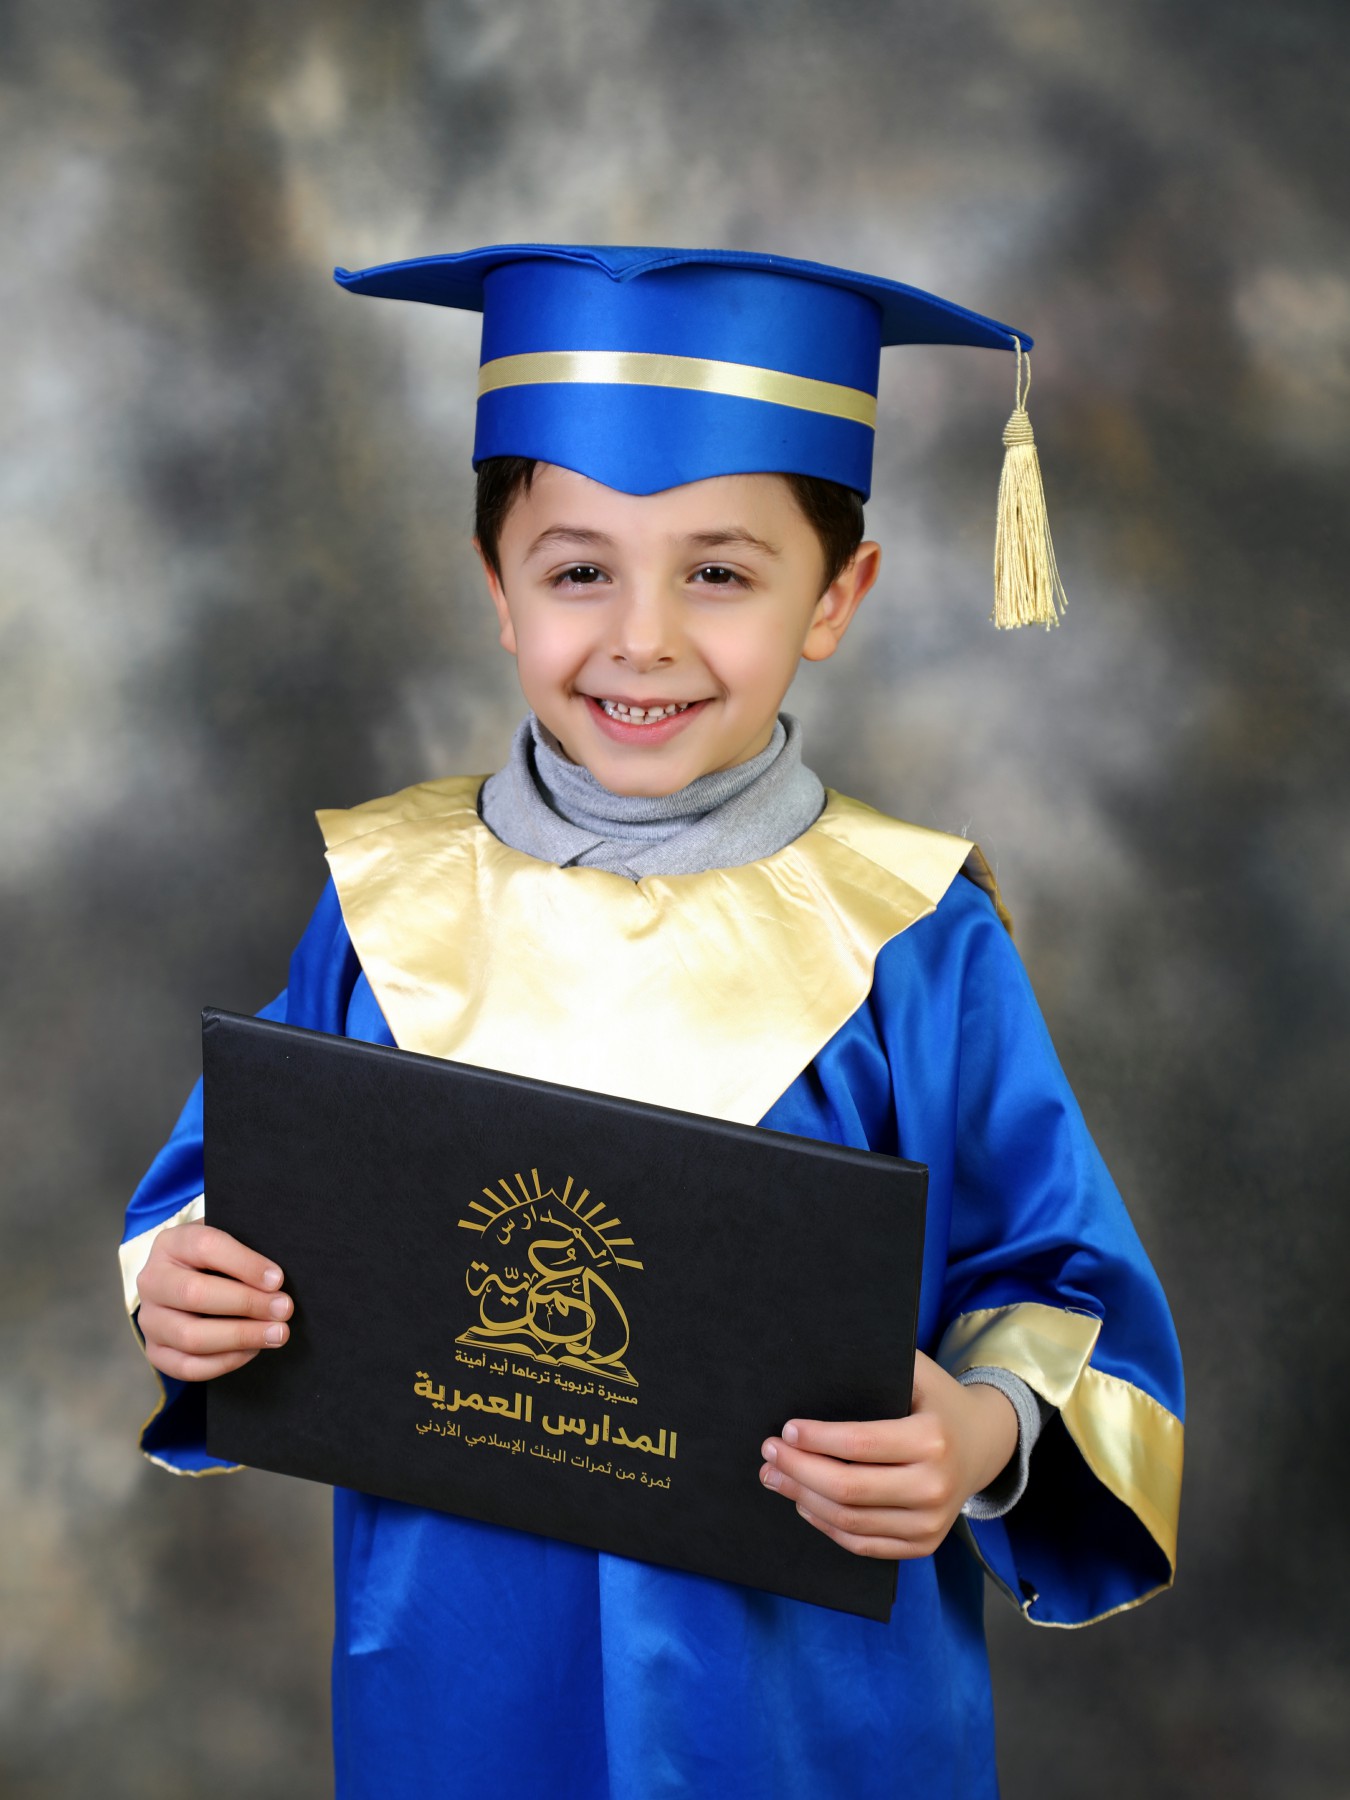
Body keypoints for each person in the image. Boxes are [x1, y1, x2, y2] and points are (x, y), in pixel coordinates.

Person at [120, 245, 1184, 1799]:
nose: (643, 639)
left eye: (719, 573)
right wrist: (183, 1285)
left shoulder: (915, 942)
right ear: (495, 587)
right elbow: (221, 1197)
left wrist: (977, 1432)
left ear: (835, 597)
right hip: (460, 1685)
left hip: (801, 1710)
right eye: (577, 572)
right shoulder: (385, 906)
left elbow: (1062, 1284)